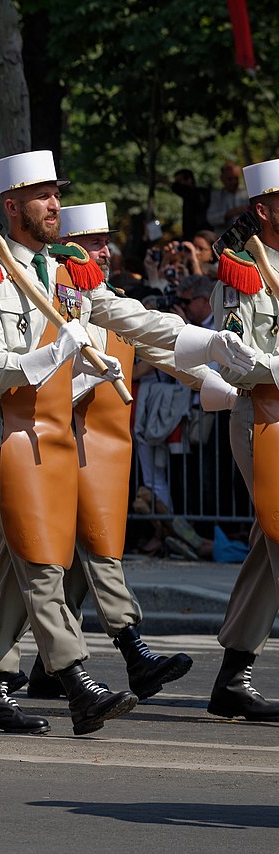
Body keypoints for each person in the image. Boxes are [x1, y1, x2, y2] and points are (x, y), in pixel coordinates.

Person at [0, 150, 252, 736]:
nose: (54, 204)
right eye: (42, 195)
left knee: (33, 555)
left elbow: (130, 317)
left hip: (54, 424)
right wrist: (49, 355)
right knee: (41, 557)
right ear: (12, 206)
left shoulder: (63, 272)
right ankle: (76, 682)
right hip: (7, 423)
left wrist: (207, 343)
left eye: (56, 193)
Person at [22, 202, 207, 702]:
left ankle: (40, 667)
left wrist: (219, 383)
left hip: (109, 448)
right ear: (69, 249)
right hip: (64, 439)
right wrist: (83, 378)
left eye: (107, 242)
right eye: (95, 242)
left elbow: (161, 350)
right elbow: (37, 374)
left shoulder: (112, 301)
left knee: (77, 558)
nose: (106, 251)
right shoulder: (53, 306)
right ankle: (134, 651)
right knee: (96, 549)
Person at [205, 156, 279, 722]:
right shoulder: (241, 269)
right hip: (264, 415)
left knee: (267, 547)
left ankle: (232, 675)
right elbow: (232, 358)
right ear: (264, 208)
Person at [207, 161, 250, 233]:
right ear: (222, 179)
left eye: (236, 178)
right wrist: (229, 214)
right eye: (229, 179)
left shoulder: (247, 193)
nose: (234, 182)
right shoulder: (216, 196)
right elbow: (211, 219)